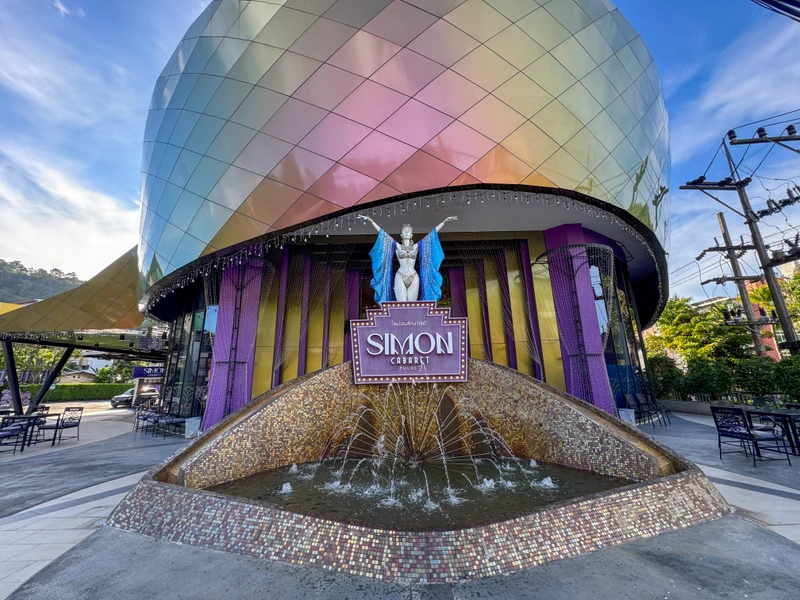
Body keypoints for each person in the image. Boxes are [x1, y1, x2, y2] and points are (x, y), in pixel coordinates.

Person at [357, 215, 458, 303]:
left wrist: (444, 222)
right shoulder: (397, 246)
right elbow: (383, 235)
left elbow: (431, 235)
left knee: (412, 306)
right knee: (402, 305)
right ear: (401, 234)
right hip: (400, 275)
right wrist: (371, 221)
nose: (406, 232)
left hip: (413, 276)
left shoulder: (416, 247)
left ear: (411, 235)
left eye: (408, 231)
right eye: (404, 231)